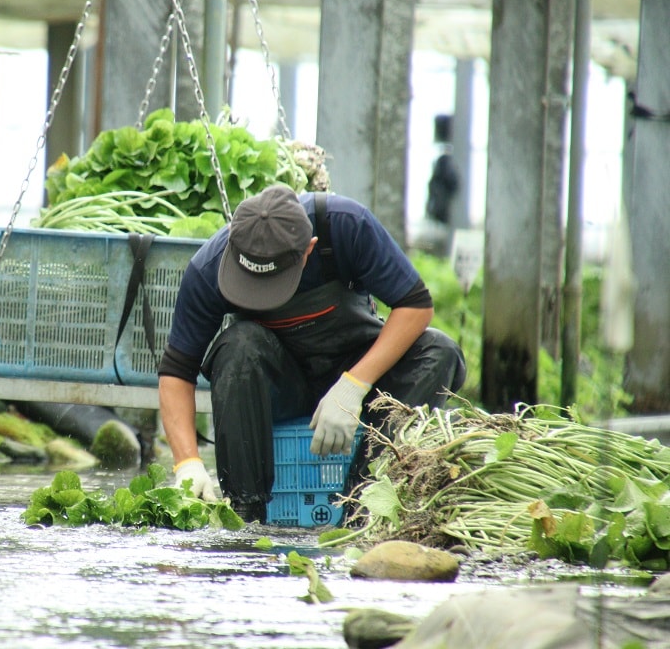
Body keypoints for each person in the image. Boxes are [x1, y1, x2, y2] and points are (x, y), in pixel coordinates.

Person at [159, 184, 467, 522]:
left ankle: (365, 507)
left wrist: (353, 384)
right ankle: (245, 516)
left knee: (440, 351)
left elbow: (415, 305)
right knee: (238, 345)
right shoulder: (208, 268)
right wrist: (187, 462)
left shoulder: (346, 226)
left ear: (309, 249)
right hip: (281, 385)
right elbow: (177, 370)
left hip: (356, 375)